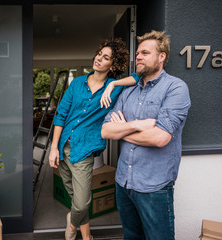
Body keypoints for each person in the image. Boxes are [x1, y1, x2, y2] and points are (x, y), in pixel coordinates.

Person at [101, 30, 191, 240]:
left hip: (155, 187)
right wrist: (138, 125)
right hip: (124, 183)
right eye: (138, 53)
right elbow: (106, 130)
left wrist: (122, 131)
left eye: (145, 53)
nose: (138, 57)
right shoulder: (128, 92)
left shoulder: (175, 88)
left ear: (162, 57)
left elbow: (160, 138)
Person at [48, 38, 140, 240]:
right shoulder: (78, 82)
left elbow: (138, 77)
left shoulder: (115, 87)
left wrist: (114, 82)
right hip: (63, 146)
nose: (99, 58)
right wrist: (53, 148)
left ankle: (72, 223)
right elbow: (61, 114)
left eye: (106, 57)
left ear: (113, 65)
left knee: (81, 204)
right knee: (75, 198)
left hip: (83, 150)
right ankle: (87, 237)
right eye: (99, 54)